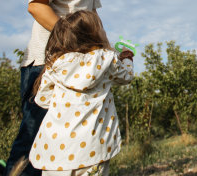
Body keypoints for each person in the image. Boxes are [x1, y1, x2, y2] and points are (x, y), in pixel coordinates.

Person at [5, 0, 104, 176]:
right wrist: (70, 40)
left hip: (75, 69)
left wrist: (106, 52)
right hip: (44, 65)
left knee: (62, 140)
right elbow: (37, 6)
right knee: (33, 135)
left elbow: (93, 22)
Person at [29, 10, 134, 176]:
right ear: (94, 36)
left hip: (55, 151)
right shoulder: (106, 59)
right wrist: (127, 58)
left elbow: (43, 100)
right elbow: (126, 77)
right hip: (93, 148)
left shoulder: (56, 64)